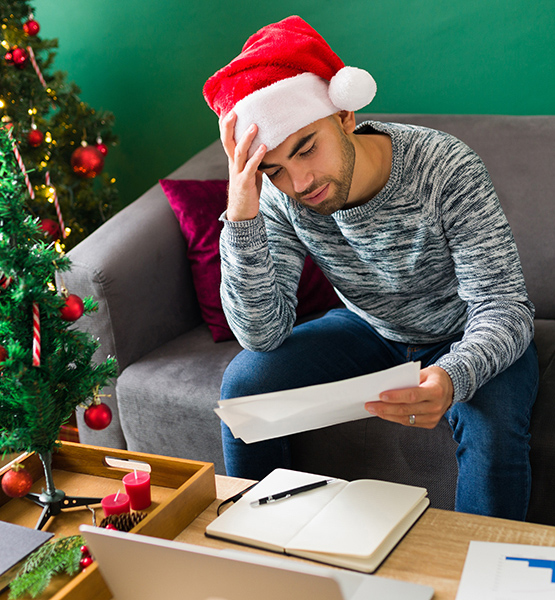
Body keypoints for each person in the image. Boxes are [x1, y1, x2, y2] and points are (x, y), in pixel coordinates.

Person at [203, 15, 539, 519]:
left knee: (493, 438)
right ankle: (265, 544)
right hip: (372, 328)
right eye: (275, 169)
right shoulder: (279, 197)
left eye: (306, 148)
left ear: (344, 117)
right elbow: (261, 333)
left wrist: (451, 376)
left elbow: (505, 307)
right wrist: (243, 214)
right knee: (245, 385)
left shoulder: (444, 167)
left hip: (471, 330)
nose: (299, 182)